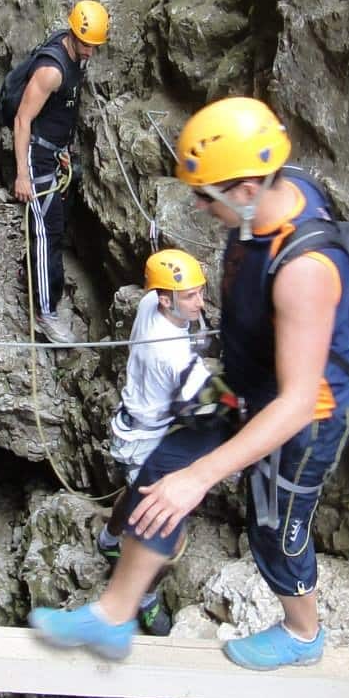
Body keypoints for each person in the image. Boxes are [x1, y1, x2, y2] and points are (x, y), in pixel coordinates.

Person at [31, 97, 349, 670]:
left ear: (245, 187)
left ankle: (303, 633)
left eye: (206, 195)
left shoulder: (305, 271)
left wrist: (203, 477)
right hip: (247, 381)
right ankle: (114, 615)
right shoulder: (273, 196)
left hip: (305, 416)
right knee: (162, 471)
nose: (201, 208)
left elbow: (298, 401)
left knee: (271, 526)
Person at [96, 249, 212, 636]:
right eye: (192, 296)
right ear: (167, 299)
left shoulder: (150, 301)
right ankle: (143, 597)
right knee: (168, 535)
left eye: (201, 292)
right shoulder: (174, 356)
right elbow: (214, 408)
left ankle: (109, 538)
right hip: (147, 439)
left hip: (130, 429)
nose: (201, 302)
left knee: (134, 493)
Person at [11, 0, 108, 344]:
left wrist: (63, 152)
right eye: (86, 45)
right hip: (38, 158)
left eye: (95, 47)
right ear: (72, 34)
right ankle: (45, 312)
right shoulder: (52, 71)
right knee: (46, 233)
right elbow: (23, 120)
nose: (90, 53)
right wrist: (23, 174)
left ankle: (32, 274)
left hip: (56, 154)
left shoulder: (77, 58)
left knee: (56, 222)